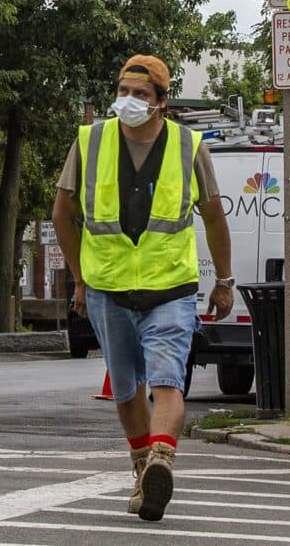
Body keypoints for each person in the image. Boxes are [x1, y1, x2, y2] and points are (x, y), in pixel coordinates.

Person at [52, 54, 233, 523]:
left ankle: (161, 459)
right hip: (108, 287)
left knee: (167, 381)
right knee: (127, 387)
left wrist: (225, 282)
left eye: (140, 95)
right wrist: (80, 276)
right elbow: (62, 214)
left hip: (169, 288)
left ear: (162, 103)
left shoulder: (189, 146)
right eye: (123, 92)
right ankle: (143, 467)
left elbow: (214, 216)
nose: (129, 101)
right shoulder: (89, 141)